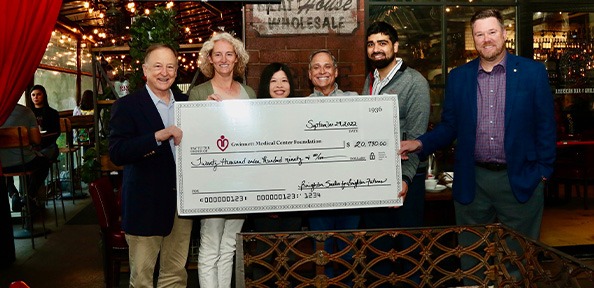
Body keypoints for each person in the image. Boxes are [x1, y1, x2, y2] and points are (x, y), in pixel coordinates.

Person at [399, 9, 556, 284]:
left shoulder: (533, 72)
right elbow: (450, 127)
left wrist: (543, 172)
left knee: (518, 262)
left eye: (492, 32)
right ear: (474, 39)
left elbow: (546, 125)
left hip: (520, 179)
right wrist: (419, 143)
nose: (486, 39)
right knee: (471, 259)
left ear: (505, 33)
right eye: (480, 34)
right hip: (474, 181)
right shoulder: (459, 77)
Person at [108, 43, 193, 287]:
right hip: (144, 206)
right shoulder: (126, 106)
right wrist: (157, 136)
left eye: (170, 66)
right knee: (142, 278)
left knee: (175, 275)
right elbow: (117, 152)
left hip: (181, 206)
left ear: (177, 71)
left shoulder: (188, 105)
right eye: (157, 66)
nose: (164, 72)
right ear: (145, 70)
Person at [361, 21, 430, 285]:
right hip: (376, 180)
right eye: (371, 44)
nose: (376, 49)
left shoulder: (415, 83)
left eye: (382, 43)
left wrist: (405, 180)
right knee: (378, 254)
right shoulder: (371, 79)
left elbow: (416, 138)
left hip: (404, 182)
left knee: (407, 254)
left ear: (395, 46)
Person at [188, 32, 254, 288]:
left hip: (241, 179)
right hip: (212, 180)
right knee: (210, 243)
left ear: (237, 58)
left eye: (229, 53)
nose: (224, 59)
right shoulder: (198, 92)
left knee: (229, 244)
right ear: (210, 59)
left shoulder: (247, 92)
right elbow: (192, 137)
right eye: (218, 54)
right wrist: (203, 112)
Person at [306, 49, 359, 282]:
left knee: (348, 255)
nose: (322, 72)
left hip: (350, 192)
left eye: (327, 66)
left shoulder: (355, 100)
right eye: (316, 67)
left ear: (336, 72)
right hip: (317, 197)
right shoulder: (298, 107)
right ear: (309, 75)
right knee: (322, 255)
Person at [250, 62, 301, 284]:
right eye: (273, 81)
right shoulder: (253, 117)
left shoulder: (302, 116)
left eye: (284, 80)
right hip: (264, 204)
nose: (279, 86)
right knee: (263, 259)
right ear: (265, 85)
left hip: (296, 203)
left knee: (290, 260)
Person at [1, 104, 50, 214]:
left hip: (2, 166)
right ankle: (29, 196)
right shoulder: (26, 112)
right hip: (25, 163)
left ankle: (13, 193)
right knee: (44, 162)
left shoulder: (1, 111)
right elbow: (37, 140)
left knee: (5, 163)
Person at [25, 85, 60, 161]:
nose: (36, 97)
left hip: (49, 146)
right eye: (33, 95)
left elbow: (57, 132)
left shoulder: (52, 113)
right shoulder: (26, 114)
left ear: (44, 95)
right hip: (31, 147)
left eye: (38, 94)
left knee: (42, 158)